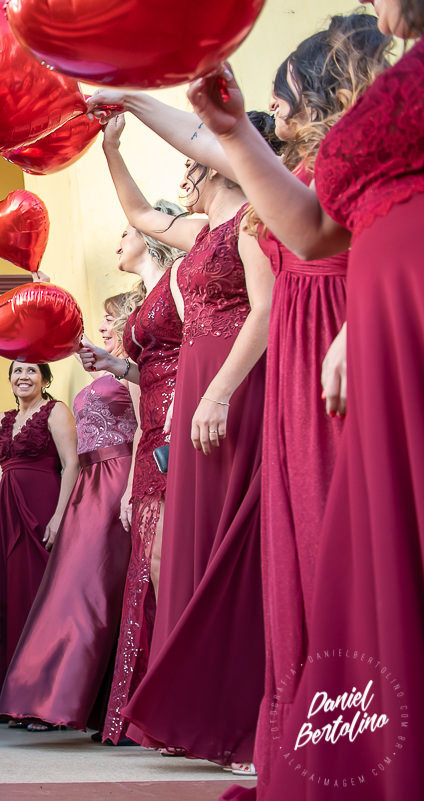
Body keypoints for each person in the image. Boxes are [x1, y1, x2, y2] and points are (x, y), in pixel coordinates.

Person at [90, 14, 393, 786]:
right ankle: (310, 728)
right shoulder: (282, 176)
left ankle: (354, 735)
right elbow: (207, 139)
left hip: (332, 326)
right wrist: (130, 99)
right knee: (296, 549)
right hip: (301, 343)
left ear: (324, 97)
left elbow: (340, 241)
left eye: (286, 103)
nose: (278, 115)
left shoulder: (348, 164)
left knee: (336, 544)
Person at [189, 2, 424, 796]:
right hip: (379, 332)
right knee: (371, 567)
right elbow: (321, 231)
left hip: (392, 322)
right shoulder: (402, 73)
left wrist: (359, 320)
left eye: (283, 105)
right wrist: (232, 130)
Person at [94, 112, 274, 771]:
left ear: (213, 165)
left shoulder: (252, 222)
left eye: (191, 165)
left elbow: (268, 307)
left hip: (235, 384)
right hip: (196, 388)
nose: (184, 175)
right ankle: (204, 711)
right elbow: (142, 214)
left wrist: (221, 391)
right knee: (195, 546)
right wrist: (112, 148)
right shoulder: (200, 233)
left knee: (233, 544)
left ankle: (245, 718)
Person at [0, 297, 139, 734]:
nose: (104, 329)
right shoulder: (105, 370)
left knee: (87, 591)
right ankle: (46, 697)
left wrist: (133, 487)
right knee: (73, 587)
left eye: (111, 323)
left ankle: (63, 700)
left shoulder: (134, 371)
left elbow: (146, 427)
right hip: (89, 484)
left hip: (117, 476)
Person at [78, 208, 185, 746]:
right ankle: (174, 698)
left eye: (124, 231)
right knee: (157, 571)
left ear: (150, 234)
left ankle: (190, 696)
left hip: (178, 428)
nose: (118, 239)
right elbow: (147, 378)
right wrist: (114, 363)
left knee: (174, 566)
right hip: (152, 436)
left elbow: (196, 353)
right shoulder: (144, 303)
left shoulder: (180, 284)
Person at [0, 362, 79, 710]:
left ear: (44, 378)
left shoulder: (55, 411)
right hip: (10, 521)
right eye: (16, 371)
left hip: (43, 513)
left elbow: (71, 463)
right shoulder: (4, 422)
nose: (23, 377)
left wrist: (59, 516)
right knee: (15, 600)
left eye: (31, 371)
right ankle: (18, 696)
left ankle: (50, 698)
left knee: (44, 599)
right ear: (9, 380)